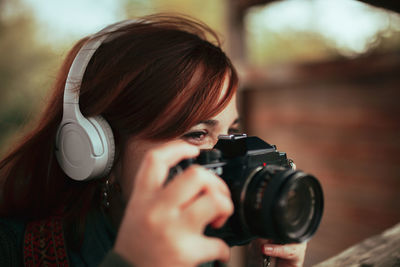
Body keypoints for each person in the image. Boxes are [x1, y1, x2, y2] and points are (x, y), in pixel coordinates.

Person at [0, 14, 306, 267]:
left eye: (232, 134)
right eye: (198, 134)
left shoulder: (202, 242)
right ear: (101, 151)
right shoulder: (13, 251)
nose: (227, 158)